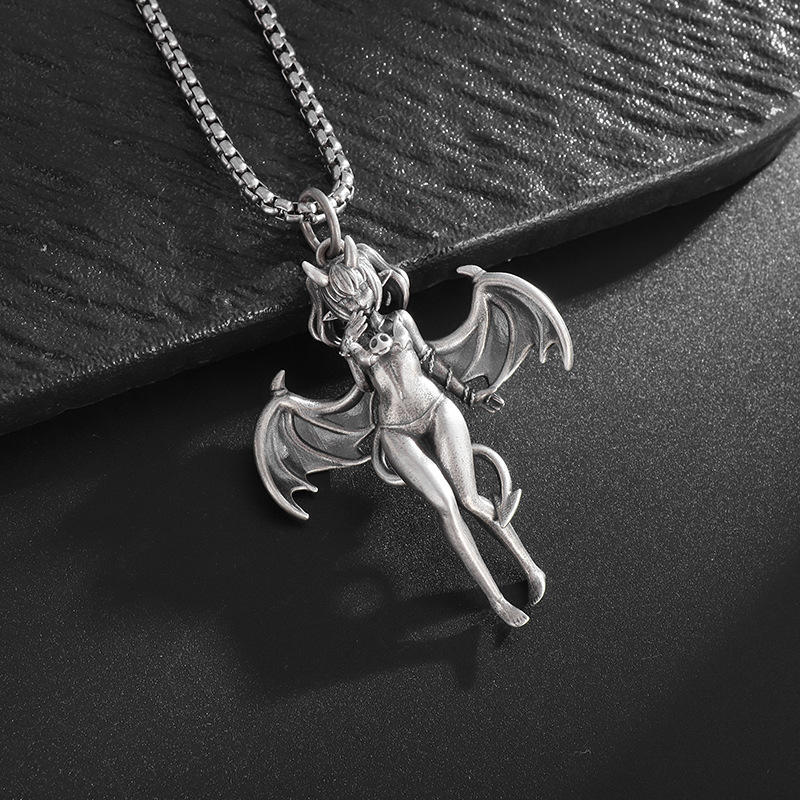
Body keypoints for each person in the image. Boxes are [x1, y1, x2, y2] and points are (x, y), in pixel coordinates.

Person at [302, 236, 546, 627]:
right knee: (446, 508)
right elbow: (364, 388)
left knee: (470, 500)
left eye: (359, 290)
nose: (356, 302)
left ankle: (531, 567)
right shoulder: (353, 345)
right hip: (394, 428)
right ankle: (498, 601)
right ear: (334, 306)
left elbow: (430, 360)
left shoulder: (400, 320)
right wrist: (352, 353)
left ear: (371, 282)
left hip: (435, 408)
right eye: (344, 300)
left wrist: (469, 395)